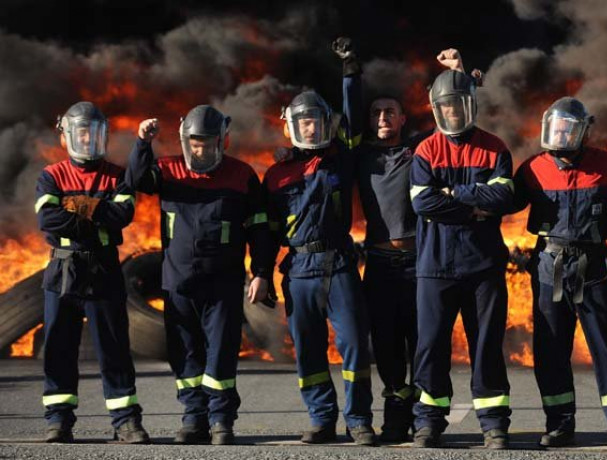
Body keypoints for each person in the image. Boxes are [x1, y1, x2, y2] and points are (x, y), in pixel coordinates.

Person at [127, 106, 272, 445]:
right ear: (185, 141)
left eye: (207, 143)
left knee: (221, 351)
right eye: (194, 143)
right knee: (185, 353)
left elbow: (260, 229)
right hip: (177, 283)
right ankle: (194, 419)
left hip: (223, 282)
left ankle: (221, 421)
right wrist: (142, 144)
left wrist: (261, 272)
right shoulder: (167, 170)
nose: (200, 150)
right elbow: (135, 180)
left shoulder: (242, 176)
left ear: (222, 141)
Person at [261, 38, 375, 446]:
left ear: (325, 122)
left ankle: (359, 419)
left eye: (316, 120)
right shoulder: (275, 175)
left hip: (339, 265)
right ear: (292, 126)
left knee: (355, 345)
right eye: (303, 121)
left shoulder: (340, 157)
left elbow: (353, 114)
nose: (311, 126)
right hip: (297, 271)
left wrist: (350, 71)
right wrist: (259, 272)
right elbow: (267, 231)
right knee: (308, 354)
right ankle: (322, 419)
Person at [512, 97, 607, 451]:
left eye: (568, 128)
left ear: (583, 131)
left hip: (593, 268)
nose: (560, 134)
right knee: (551, 351)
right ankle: (559, 424)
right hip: (549, 267)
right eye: (556, 127)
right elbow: (505, 201)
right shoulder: (532, 169)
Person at [409, 48, 516, 450]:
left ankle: (493, 424)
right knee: (430, 347)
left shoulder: (494, 147)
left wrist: (454, 194)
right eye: (447, 105)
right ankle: (428, 423)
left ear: (471, 104)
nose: (454, 111)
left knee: (486, 345)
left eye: (460, 104)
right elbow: (423, 202)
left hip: (483, 266)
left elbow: (504, 197)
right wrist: (475, 205)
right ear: (437, 108)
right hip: (434, 266)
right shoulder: (426, 150)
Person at [36, 101, 149, 444]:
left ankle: (126, 422)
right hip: (63, 270)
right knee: (58, 347)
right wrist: (98, 211)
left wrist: (75, 211)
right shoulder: (51, 175)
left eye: (93, 132)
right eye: (81, 132)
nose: (87, 138)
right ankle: (59, 421)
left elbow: (122, 217)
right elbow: (47, 221)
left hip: (103, 269)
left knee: (114, 348)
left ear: (103, 135)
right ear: (68, 135)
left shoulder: (118, 175)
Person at [339, 36, 429, 443]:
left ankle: (426, 415)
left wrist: (462, 79)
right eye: (375, 112)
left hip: (419, 264)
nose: (381, 118)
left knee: (423, 342)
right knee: (388, 347)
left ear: (402, 118)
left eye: (389, 112)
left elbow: (455, 122)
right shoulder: (361, 156)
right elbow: (348, 113)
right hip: (378, 264)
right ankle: (395, 411)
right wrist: (350, 72)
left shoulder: (420, 151)